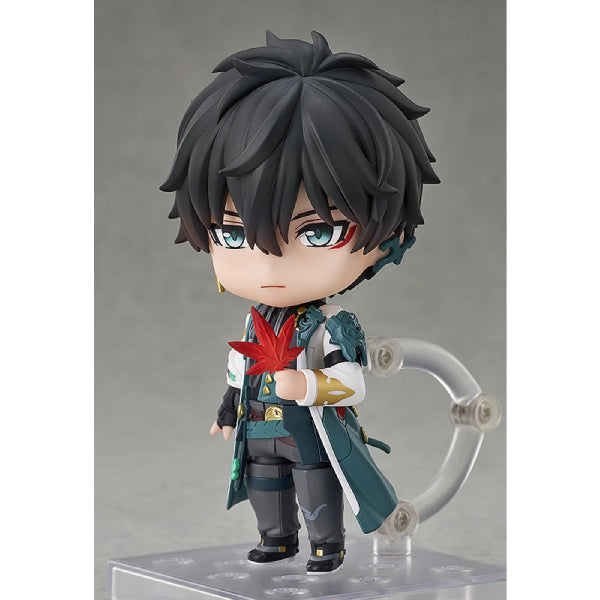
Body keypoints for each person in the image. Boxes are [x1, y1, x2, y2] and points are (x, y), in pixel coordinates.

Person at [160, 30, 439, 574]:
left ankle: (325, 546)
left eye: (316, 232)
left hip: (309, 430)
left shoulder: (331, 325)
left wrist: (306, 386)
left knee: (316, 485)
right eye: (232, 234)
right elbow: (239, 370)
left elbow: (352, 383)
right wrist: (228, 407)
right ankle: (276, 538)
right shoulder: (254, 320)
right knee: (263, 485)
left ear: (385, 237)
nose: (269, 265)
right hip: (260, 429)